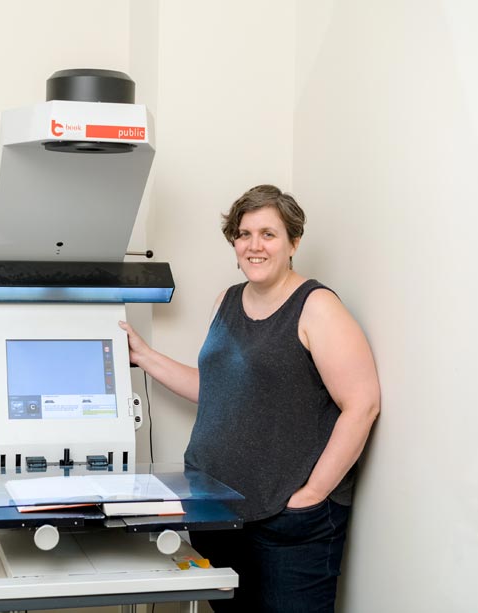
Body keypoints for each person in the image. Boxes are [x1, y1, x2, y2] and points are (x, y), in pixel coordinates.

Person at [119, 185, 380, 612]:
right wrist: (144, 356)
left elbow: (363, 404)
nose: (254, 246)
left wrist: (312, 493)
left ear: (294, 242)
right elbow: (217, 389)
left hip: (287, 520)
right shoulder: (227, 301)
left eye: (268, 234)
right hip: (218, 510)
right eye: (244, 234)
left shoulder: (316, 307)